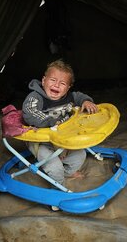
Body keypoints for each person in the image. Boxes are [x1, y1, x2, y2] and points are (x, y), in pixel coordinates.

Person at [22, 59, 98, 188]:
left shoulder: (70, 96)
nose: (56, 85)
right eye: (52, 80)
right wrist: (53, 123)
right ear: (44, 80)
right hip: (41, 143)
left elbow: (79, 96)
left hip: (63, 140)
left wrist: (86, 101)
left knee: (81, 154)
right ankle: (58, 188)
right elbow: (29, 112)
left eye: (62, 83)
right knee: (54, 166)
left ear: (68, 88)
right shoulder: (35, 97)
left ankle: (67, 173)